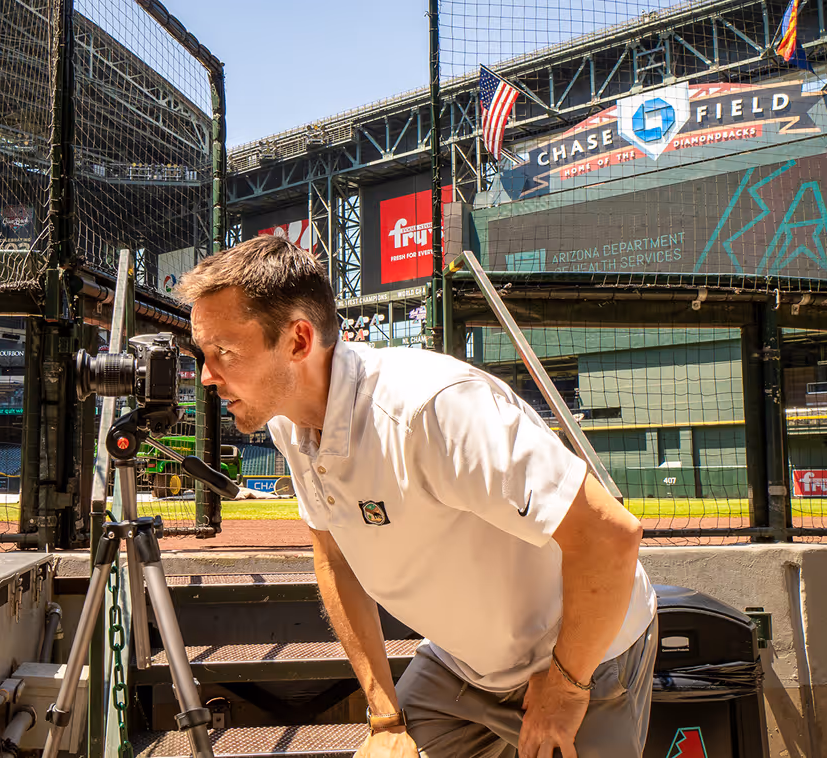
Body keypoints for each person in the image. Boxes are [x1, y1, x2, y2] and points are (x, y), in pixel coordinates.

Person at [176, 235, 657, 758]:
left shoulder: (432, 409)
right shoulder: (290, 425)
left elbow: (609, 536)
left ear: (298, 340)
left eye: (224, 351)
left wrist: (566, 686)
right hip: (461, 665)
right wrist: (384, 716)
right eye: (205, 353)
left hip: (581, 658)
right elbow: (333, 557)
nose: (207, 375)